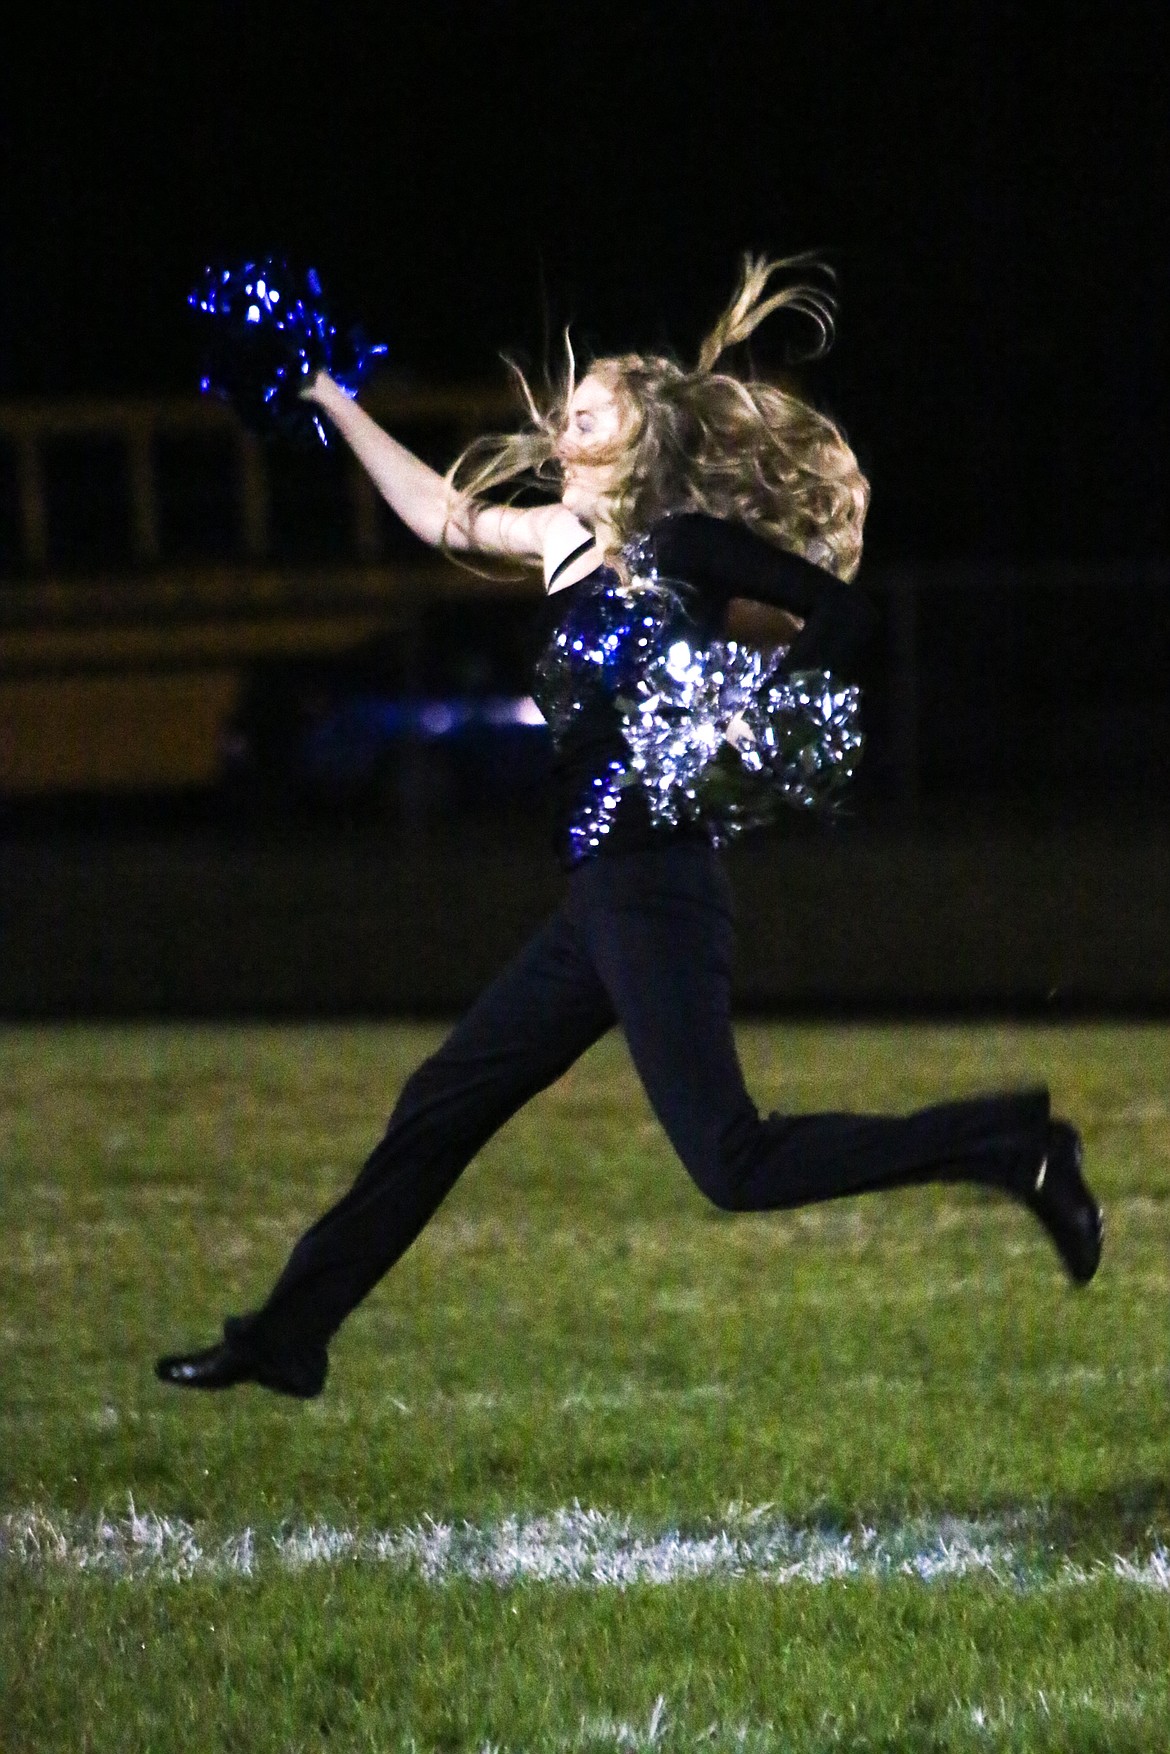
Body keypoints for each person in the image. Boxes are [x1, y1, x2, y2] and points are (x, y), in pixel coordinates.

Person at [158, 258, 1102, 1399]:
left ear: (637, 438)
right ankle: (288, 1334)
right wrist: (325, 392)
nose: (564, 420)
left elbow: (841, 609)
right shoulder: (555, 538)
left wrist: (743, 710)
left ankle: (1013, 1145)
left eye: (587, 408)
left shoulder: (689, 550)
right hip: (595, 901)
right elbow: (435, 510)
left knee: (733, 1162)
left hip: (656, 887)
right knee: (440, 1105)